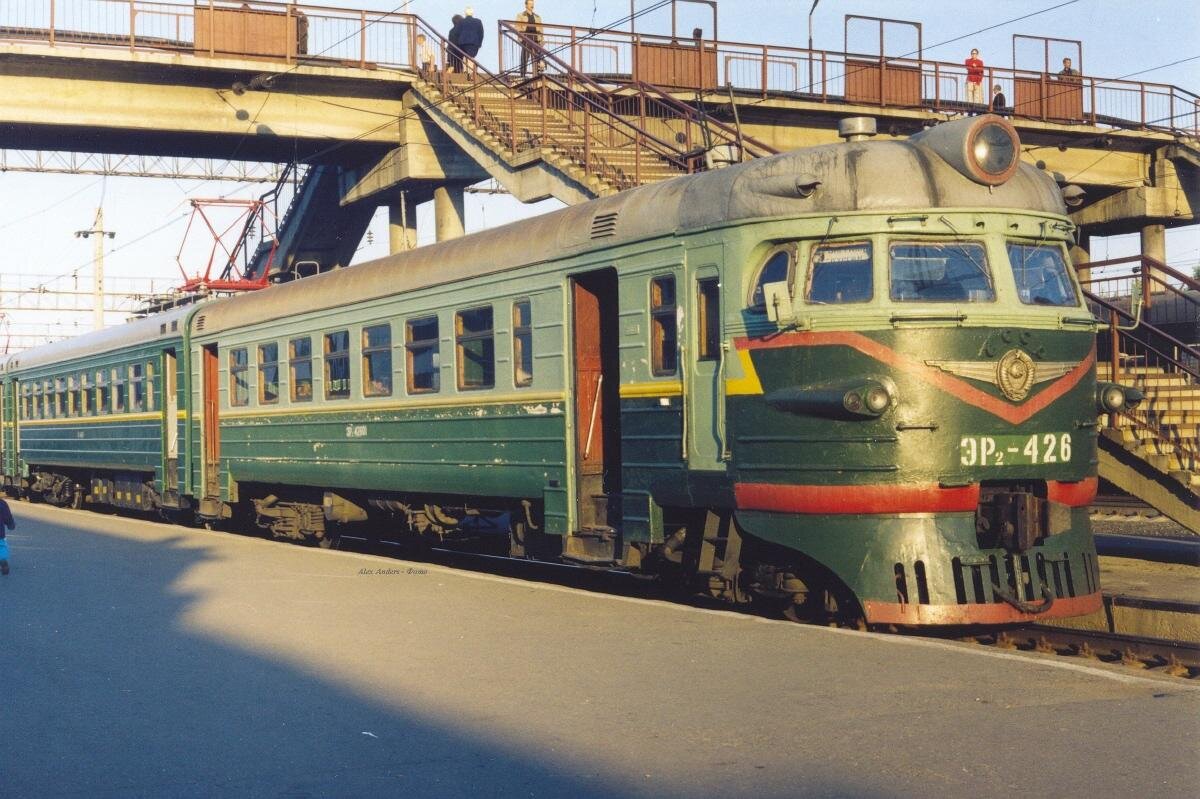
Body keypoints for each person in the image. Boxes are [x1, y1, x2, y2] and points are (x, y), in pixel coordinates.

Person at [516, 0, 544, 77]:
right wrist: (520, 37)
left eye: (533, 4)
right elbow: (517, 27)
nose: (532, 6)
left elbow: (541, 29)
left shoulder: (537, 17)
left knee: (537, 58)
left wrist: (542, 40)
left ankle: (537, 76)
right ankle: (522, 75)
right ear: (526, 5)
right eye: (530, 4)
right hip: (526, 39)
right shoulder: (521, 15)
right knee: (524, 58)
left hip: (535, 39)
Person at [457, 7, 485, 78]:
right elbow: (481, 33)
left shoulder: (461, 22)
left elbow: (458, 32)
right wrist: (479, 43)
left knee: (465, 56)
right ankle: (470, 72)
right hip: (474, 42)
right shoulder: (478, 21)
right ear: (472, 13)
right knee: (471, 57)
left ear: (465, 13)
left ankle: (466, 71)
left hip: (462, 42)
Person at [0, 497, 15, 575]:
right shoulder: (2, 503)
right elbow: (7, 516)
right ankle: (2, 560)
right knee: (1, 546)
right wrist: (11, 524)